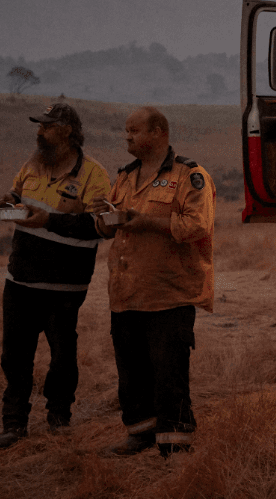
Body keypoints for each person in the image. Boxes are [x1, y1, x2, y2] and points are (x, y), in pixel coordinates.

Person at [93, 106, 215, 458]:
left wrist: (145, 221)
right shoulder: (125, 177)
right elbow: (108, 225)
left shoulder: (190, 176)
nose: (127, 136)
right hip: (126, 293)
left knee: (168, 373)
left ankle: (175, 447)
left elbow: (197, 225)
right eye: (126, 131)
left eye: (134, 130)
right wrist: (103, 221)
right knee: (131, 373)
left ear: (159, 131)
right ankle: (140, 434)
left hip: (168, 295)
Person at [0, 103, 112, 449]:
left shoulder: (94, 175)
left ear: (68, 131)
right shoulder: (32, 164)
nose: (39, 132)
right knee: (14, 357)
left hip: (65, 285)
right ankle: (13, 424)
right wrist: (8, 200)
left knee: (62, 356)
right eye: (39, 126)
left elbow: (99, 227)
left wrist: (49, 220)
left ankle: (59, 417)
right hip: (20, 280)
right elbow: (18, 195)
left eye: (47, 126)